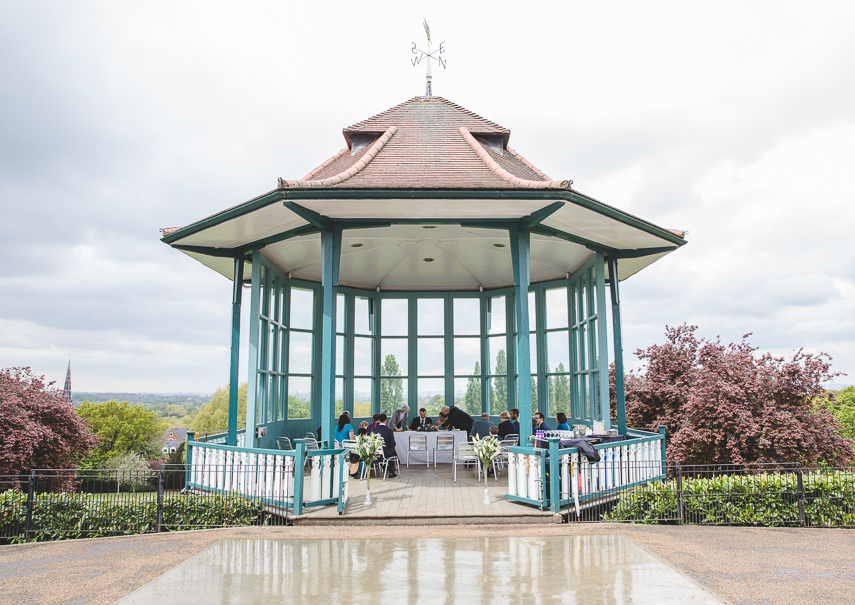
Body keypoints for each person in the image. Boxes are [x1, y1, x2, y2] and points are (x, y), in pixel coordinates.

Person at [368, 413, 398, 477]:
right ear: (386, 420)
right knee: (392, 452)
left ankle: (383, 467)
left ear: (378, 420)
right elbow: (393, 443)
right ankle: (391, 472)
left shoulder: (373, 430)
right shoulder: (389, 431)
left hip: (375, 453)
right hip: (386, 453)